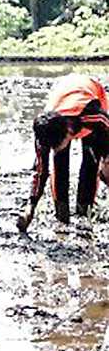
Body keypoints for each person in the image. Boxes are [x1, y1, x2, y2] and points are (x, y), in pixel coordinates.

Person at [18, 74, 109, 232]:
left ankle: (84, 213)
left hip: (89, 93)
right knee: (59, 165)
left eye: (57, 145)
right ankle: (62, 215)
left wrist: (106, 160)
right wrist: (30, 205)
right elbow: (41, 171)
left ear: (68, 132)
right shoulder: (45, 131)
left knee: (91, 162)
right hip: (61, 96)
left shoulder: (95, 118)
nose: (54, 148)